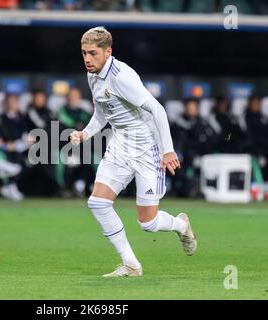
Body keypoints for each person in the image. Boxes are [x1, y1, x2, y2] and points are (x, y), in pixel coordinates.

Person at [70, 27, 197, 277]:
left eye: (93, 53)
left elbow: (157, 110)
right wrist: (85, 133)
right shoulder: (93, 74)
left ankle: (181, 225)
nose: (87, 59)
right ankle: (131, 265)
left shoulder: (121, 77)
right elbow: (102, 112)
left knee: (147, 223)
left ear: (108, 52)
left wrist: (168, 151)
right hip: (120, 145)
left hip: (146, 148)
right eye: (84, 53)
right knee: (98, 203)